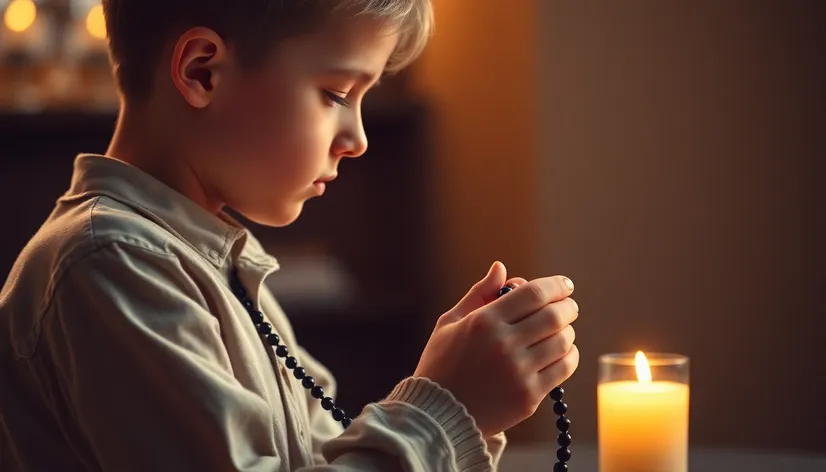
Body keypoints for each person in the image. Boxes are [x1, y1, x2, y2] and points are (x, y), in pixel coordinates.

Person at [0, 0, 580, 470]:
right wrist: (447, 408)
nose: (356, 138)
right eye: (336, 94)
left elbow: (318, 456)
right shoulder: (110, 262)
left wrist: (464, 395)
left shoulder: (212, 260)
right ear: (202, 70)